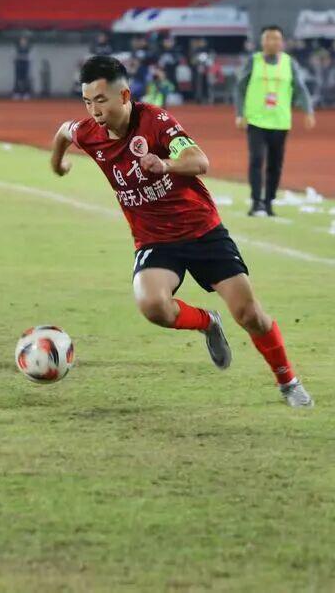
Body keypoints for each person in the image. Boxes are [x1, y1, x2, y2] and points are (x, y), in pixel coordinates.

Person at [50, 56, 313, 408]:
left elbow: (200, 160)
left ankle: (288, 382)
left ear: (124, 95)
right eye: (87, 101)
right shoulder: (89, 133)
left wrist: (166, 164)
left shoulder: (155, 122)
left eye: (101, 100)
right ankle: (207, 322)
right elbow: (64, 132)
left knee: (250, 315)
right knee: (152, 305)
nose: (94, 110)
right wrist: (58, 163)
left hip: (202, 230)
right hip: (155, 240)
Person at [234, 25, 316, 218]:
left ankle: (269, 202)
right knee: (256, 160)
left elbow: (300, 87)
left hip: (280, 121)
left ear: (282, 42)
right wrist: (240, 114)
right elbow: (239, 88)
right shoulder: (253, 61)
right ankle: (256, 202)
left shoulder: (289, 63)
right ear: (262, 42)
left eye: (276, 38)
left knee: (275, 164)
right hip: (256, 120)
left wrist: (308, 111)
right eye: (268, 38)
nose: (272, 42)